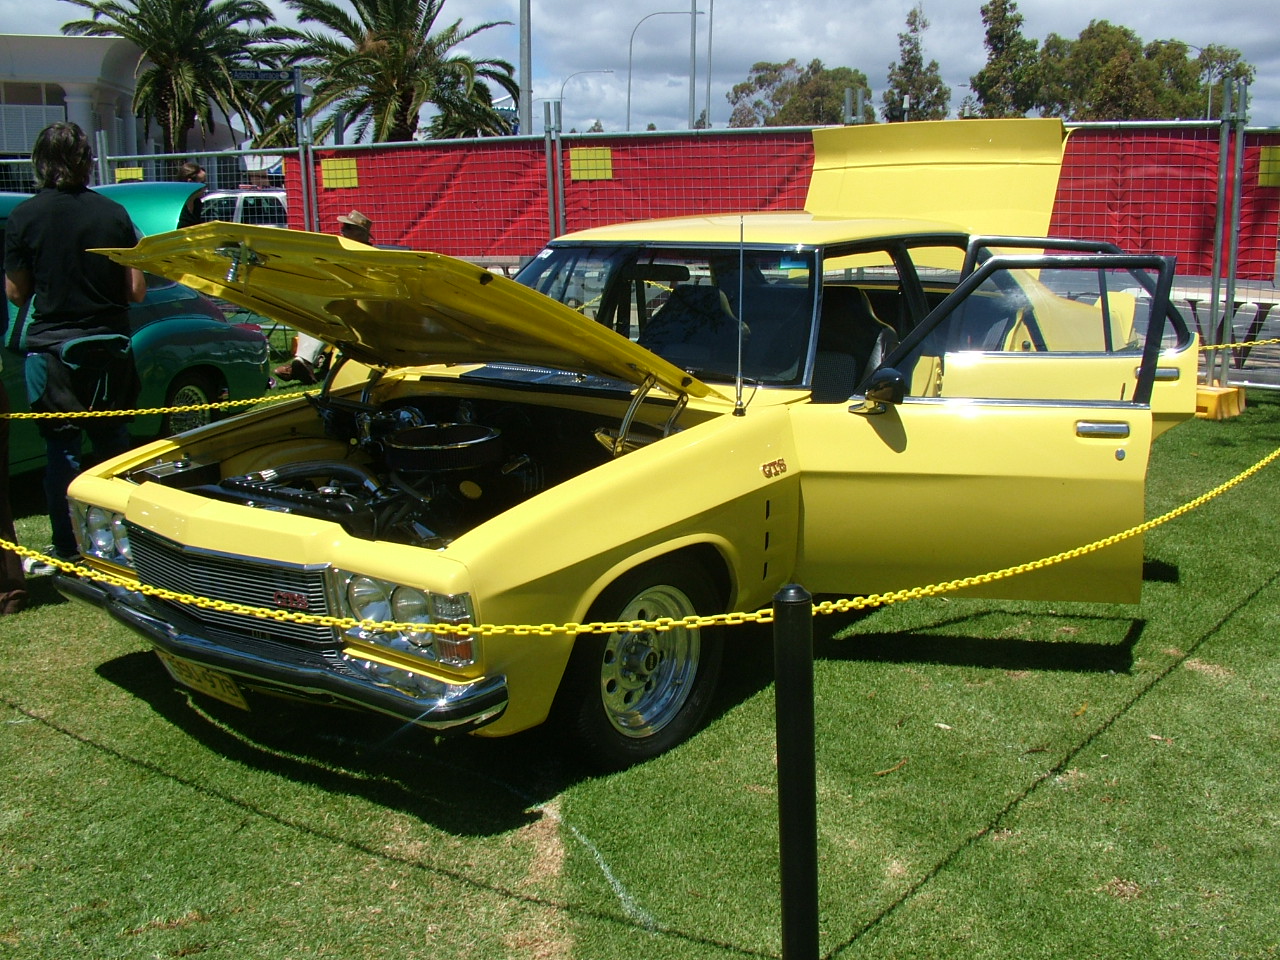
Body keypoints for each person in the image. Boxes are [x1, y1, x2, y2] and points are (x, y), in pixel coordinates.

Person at [3, 121, 146, 572]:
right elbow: (137, 290)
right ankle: (123, 544)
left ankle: (67, 546)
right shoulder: (114, 214)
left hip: (52, 354)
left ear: (40, 162)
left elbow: (15, 292)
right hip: (111, 352)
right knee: (114, 449)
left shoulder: (24, 216)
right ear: (86, 161)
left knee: (61, 454)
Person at [275, 209, 374, 385]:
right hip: (337, 302)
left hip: (359, 309)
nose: (342, 230)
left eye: (348, 228)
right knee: (310, 313)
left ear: (361, 233)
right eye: (343, 227)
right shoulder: (338, 252)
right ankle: (302, 362)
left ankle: (302, 363)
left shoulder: (371, 256)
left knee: (327, 315)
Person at [176, 161, 207, 229]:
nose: (205, 187)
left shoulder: (197, 203)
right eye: (202, 182)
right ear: (190, 182)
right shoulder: (176, 205)